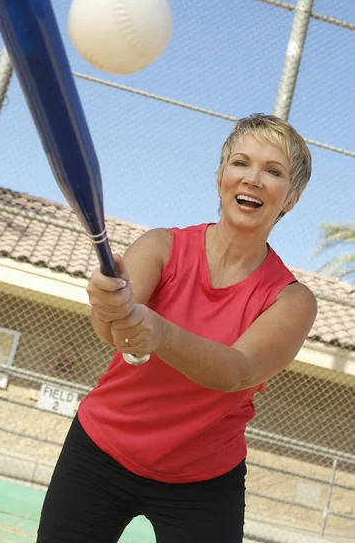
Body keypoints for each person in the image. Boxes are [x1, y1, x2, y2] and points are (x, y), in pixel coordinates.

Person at [37, 114, 317, 543]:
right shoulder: (162, 246)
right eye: (240, 163)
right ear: (221, 176)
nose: (253, 179)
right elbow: (116, 330)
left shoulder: (291, 300)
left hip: (203, 480)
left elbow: (237, 372)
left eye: (273, 171)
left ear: (292, 198)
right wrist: (107, 306)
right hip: (101, 451)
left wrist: (162, 333)